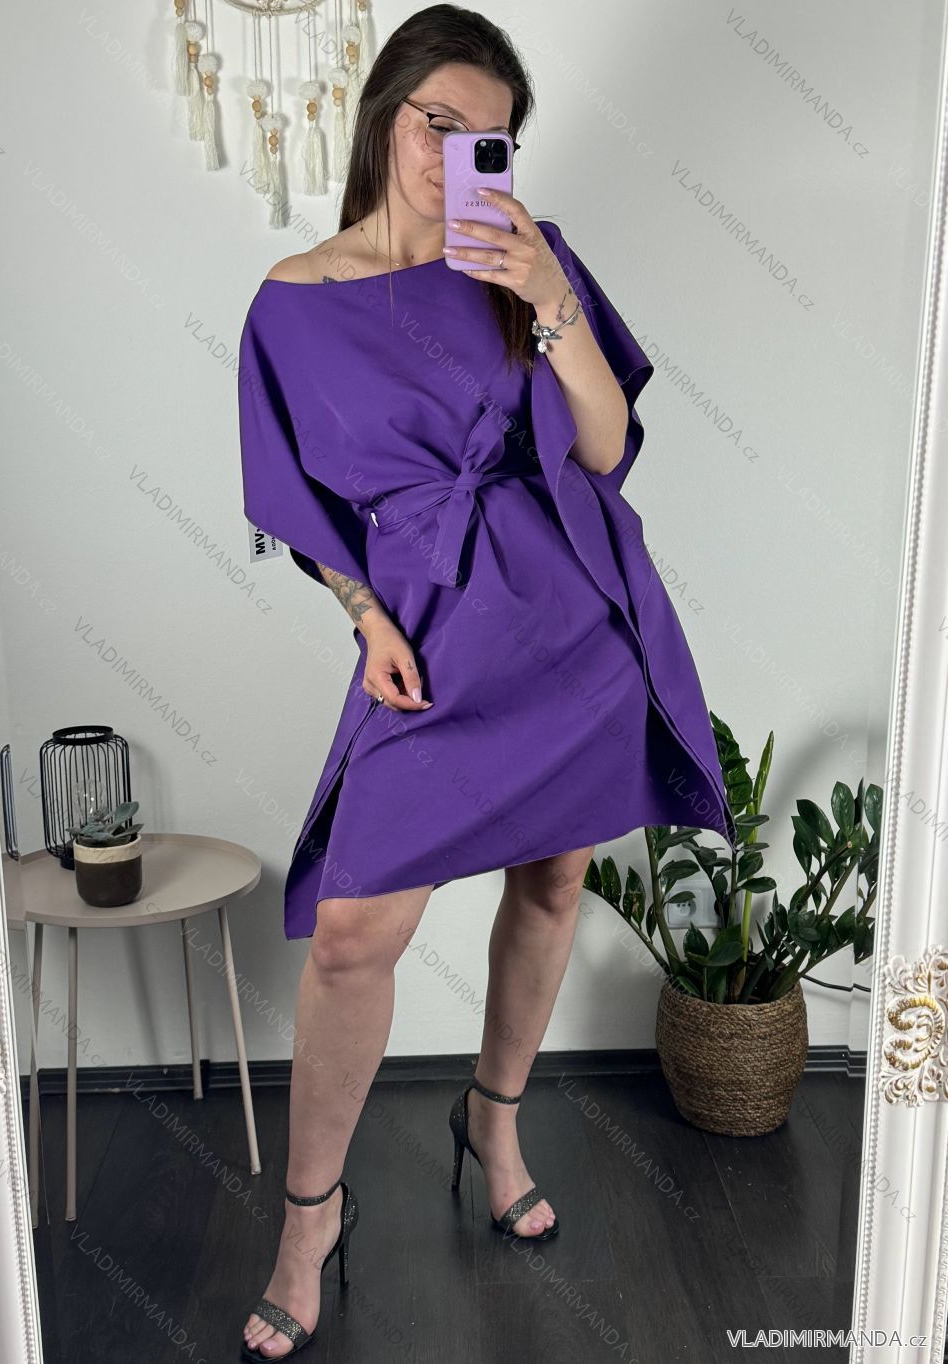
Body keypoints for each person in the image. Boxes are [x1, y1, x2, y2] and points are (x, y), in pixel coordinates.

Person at [237, 5, 736, 1356]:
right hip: (426, 626)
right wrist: (362, 615)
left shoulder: (529, 255)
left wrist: (547, 297)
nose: (455, 151)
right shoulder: (291, 302)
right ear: (383, 116)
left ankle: (493, 1121)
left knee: (556, 877)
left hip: (570, 610)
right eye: (437, 123)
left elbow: (604, 446)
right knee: (356, 932)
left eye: (487, 136)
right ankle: (308, 1215)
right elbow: (299, 505)